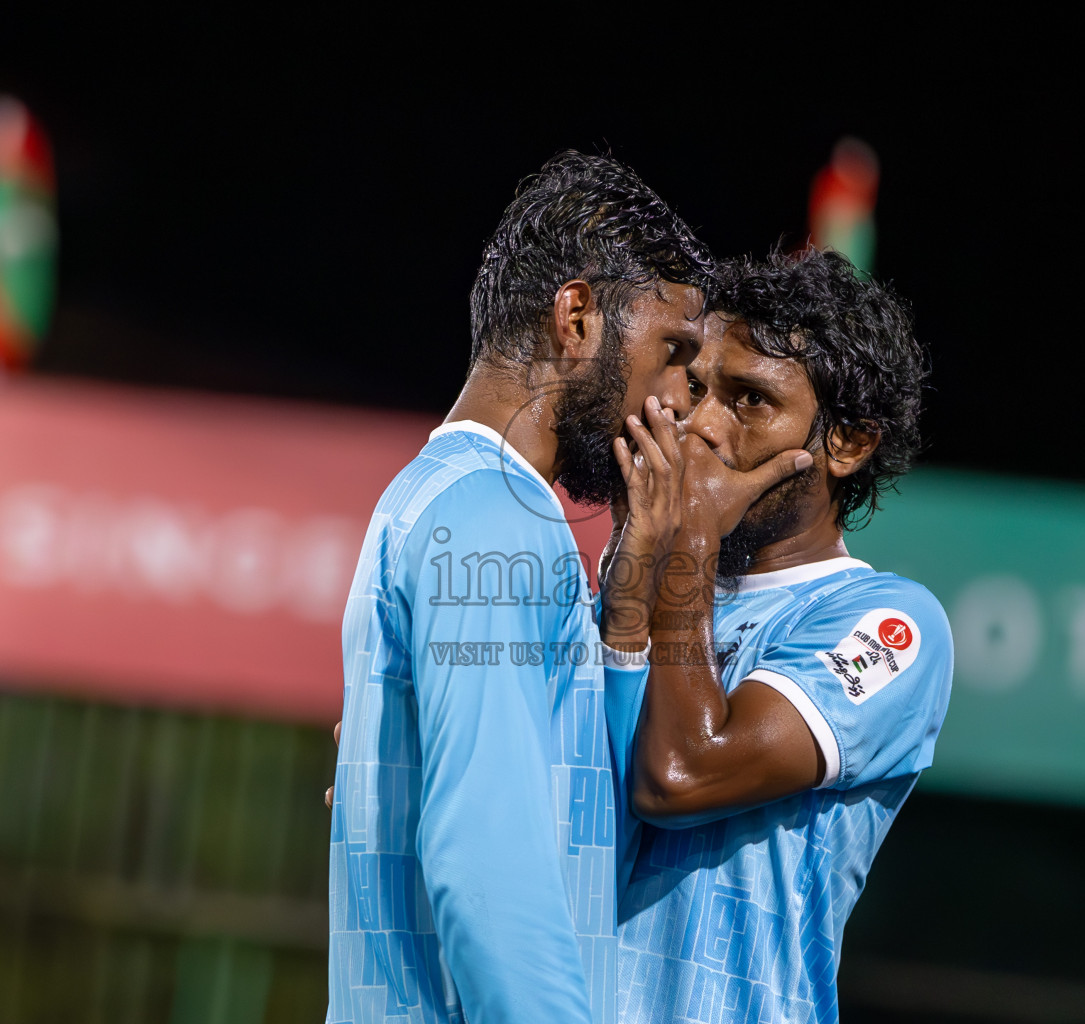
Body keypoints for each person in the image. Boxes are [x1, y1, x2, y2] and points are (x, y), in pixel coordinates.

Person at [327, 151, 719, 1024]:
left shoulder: (453, 500)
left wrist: (622, 628)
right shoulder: (498, 520)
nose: (678, 404)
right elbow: (485, 864)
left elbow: (575, 832)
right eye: (671, 355)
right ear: (576, 317)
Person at [604, 249, 952, 1024]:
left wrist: (690, 541)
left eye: (750, 401)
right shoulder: (625, 577)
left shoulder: (889, 626)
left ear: (848, 443)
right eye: (697, 389)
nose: (701, 427)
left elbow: (681, 775)